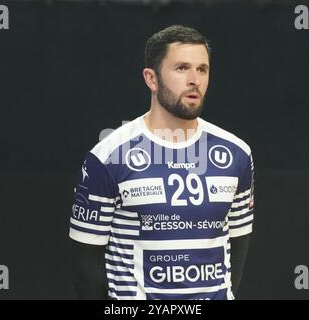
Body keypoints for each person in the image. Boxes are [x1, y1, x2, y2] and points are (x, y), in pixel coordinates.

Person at [69, 25, 254, 300]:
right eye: (182, 68)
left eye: (202, 69)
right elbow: (85, 264)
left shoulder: (237, 153)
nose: (195, 80)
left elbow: (237, 248)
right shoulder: (108, 155)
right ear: (151, 79)